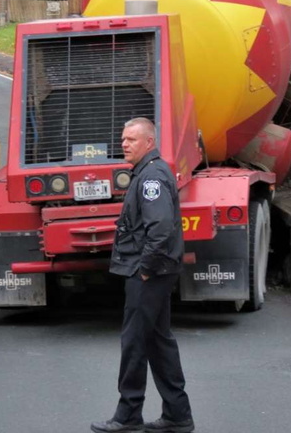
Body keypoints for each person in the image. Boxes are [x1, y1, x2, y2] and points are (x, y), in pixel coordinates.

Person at [92, 117, 194, 433]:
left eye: (131, 139)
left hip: (149, 272)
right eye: (123, 139)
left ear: (149, 142)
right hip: (154, 270)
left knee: (135, 341)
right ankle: (178, 415)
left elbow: (160, 229)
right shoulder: (147, 173)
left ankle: (128, 415)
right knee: (157, 340)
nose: (124, 144)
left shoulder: (151, 178)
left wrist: (146, 268)